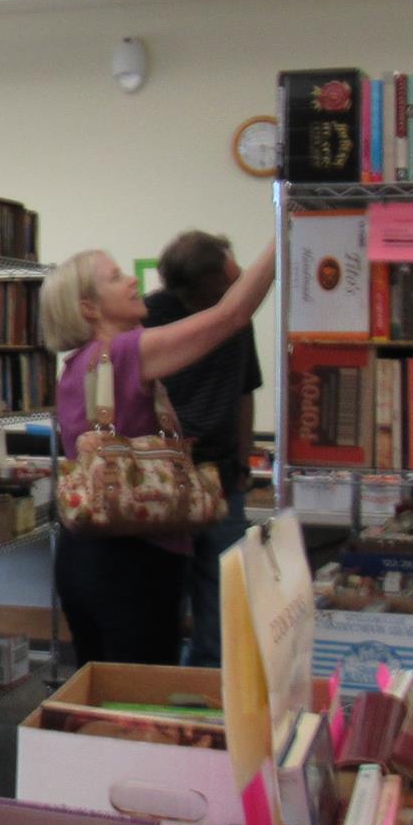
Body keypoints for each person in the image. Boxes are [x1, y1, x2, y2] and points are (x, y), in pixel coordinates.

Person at [40, 241, 275, 665]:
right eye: (115, 277)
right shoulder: (126, 353)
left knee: (102, 690)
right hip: (135, 562)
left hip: (86, 553)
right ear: (90, 308)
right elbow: (230, 315)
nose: (133, 280)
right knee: (140, 697)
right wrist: (285, 233)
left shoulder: (78, 364)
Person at [142, 231, 262, 664]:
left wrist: (244, 463)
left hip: (223, 476)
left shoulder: (236, 320)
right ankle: (167, 685)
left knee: (224, 600)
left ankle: (211, 689)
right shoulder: (149, 317)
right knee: (163, 596)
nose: (236, 285)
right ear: (203, 286)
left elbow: (245, 392)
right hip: (164, 483)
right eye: (227, 279)